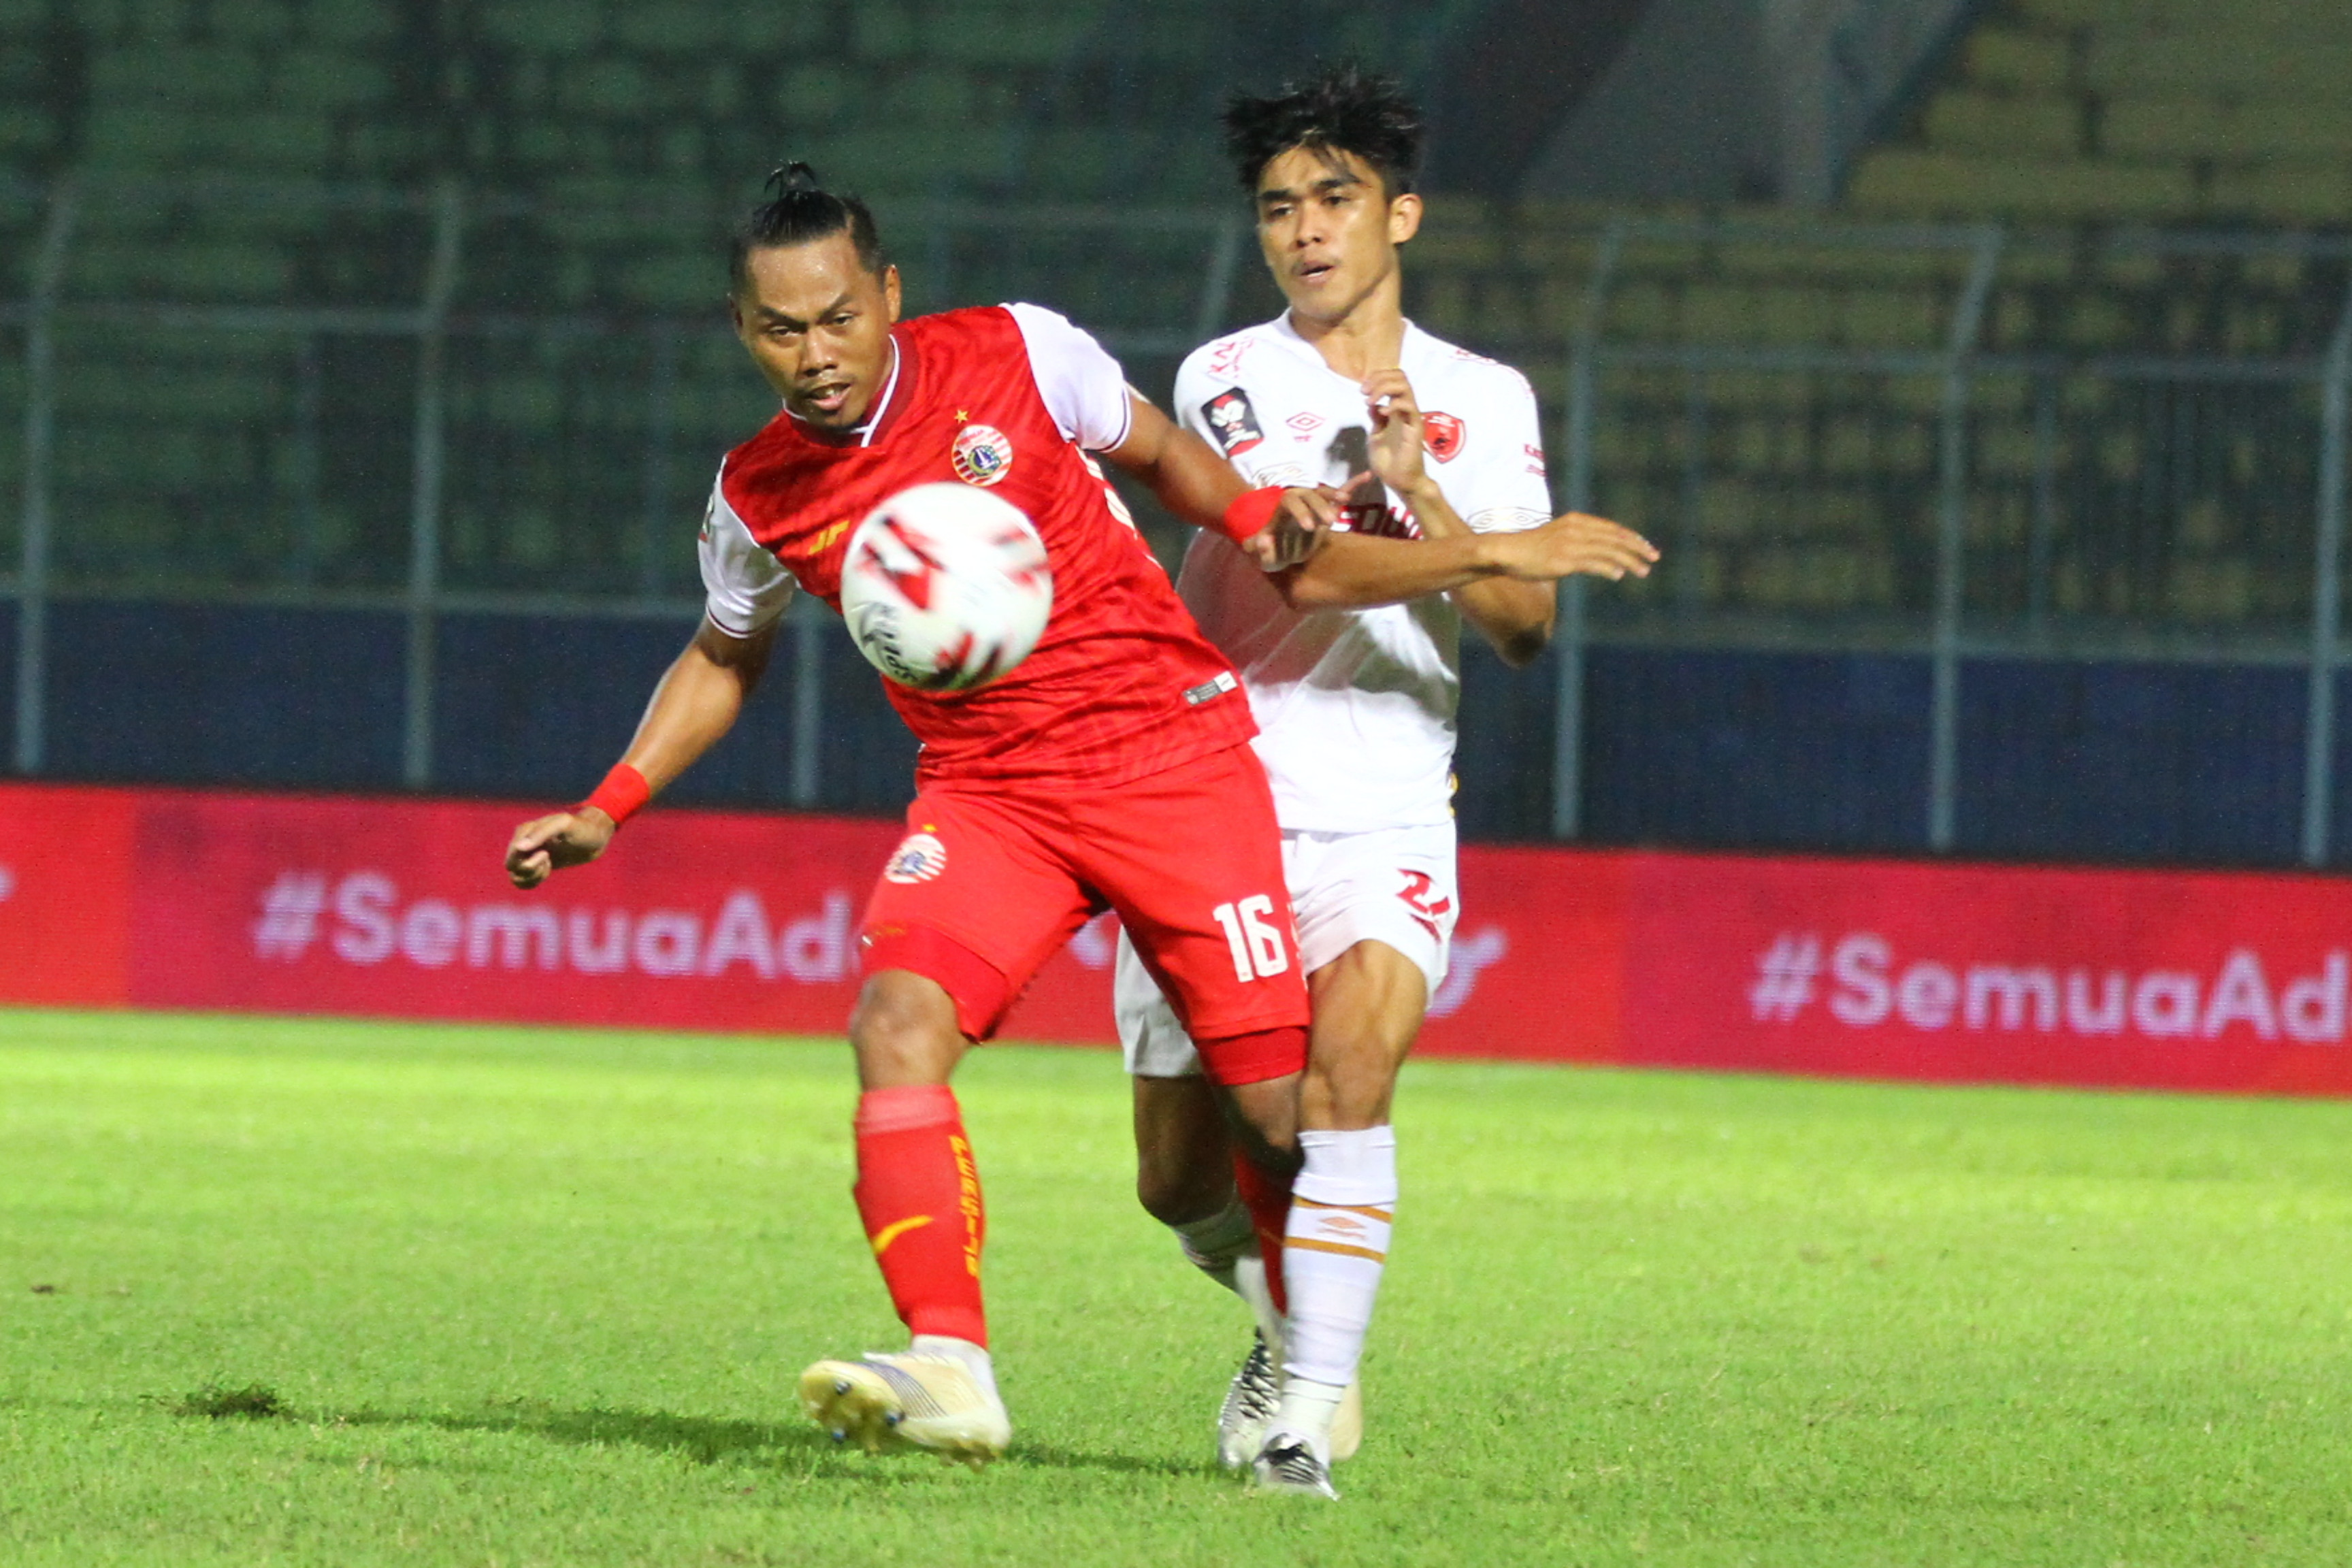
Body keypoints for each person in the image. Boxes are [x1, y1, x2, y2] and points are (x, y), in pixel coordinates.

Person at [502, 165, 1333, 1467]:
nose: (816, 354)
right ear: (742, 330)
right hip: (991, 794)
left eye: (839, 317)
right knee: (894, 1025)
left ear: (888, 294)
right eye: (782, 329)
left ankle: (1303, 1346)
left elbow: (1161, 452)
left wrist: (1258, 512)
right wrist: (614, 802)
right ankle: (951, 1364)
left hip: (1170, 760)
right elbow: (725, 656)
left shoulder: (1018, 349)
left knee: (1271, 1123)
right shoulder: (757, 494)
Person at [1111, 66, 1658, 1497]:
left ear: (1401, 215)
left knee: (1339, 1095)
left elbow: (1528, 633)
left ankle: (1302, 1418)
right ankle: (1276, 1312)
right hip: (1213, 800)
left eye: (1334, 200)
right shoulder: (1229, 379)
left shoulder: (1487, 396)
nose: (1303, 231)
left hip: (1391, 803)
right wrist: (1486, 546)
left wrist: (1436, 496)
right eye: (1279, 208)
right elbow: (1308, 561)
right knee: (1182, 1178)